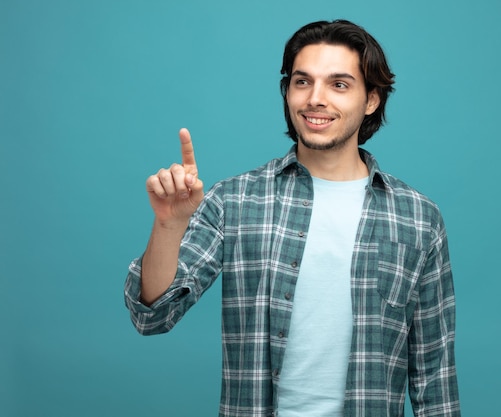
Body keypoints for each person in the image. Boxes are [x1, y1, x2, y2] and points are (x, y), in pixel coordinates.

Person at [124, 19, 460, 417]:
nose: (315, 99)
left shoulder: (419, 219)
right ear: (287, 91)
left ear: (371, 99)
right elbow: (153, 316)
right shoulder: (235, 200)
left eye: (339, 84)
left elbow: (434, 379)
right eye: (302, 82)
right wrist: (168, 224)